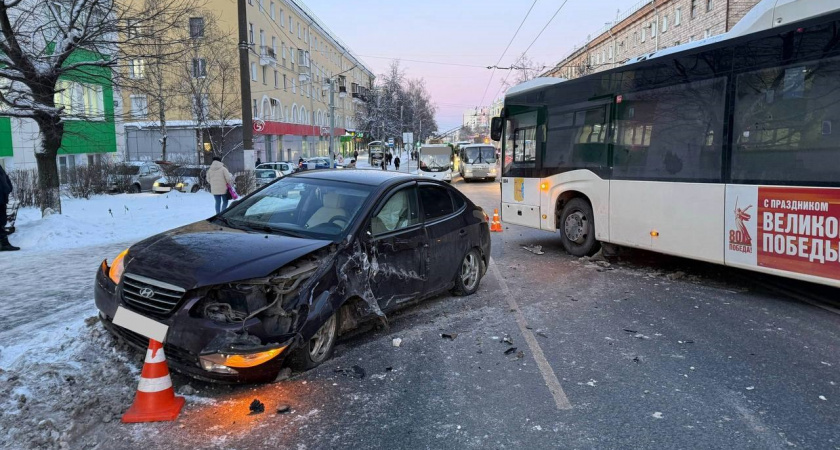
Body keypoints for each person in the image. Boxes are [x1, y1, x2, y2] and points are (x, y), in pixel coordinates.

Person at [0, 164, 19, 251]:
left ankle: (4, 243)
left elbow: (5, 178)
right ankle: (4, 244)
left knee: (2, 221)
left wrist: (8, 187)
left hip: (2, 198)